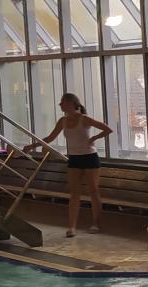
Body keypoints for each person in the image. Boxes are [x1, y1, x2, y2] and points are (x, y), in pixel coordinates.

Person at [23, 93, 113, 238]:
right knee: (74, 193)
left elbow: (107, 129)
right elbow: (50, 138)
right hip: (74, 158)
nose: (60, 105)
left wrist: (94, 138)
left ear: (71, 103)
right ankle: (72, 227)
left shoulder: (84, 119)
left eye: (62, 102)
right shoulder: (63, 121)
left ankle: (96, 223)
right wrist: (32, 146)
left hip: (90, 157)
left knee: (93, 190)